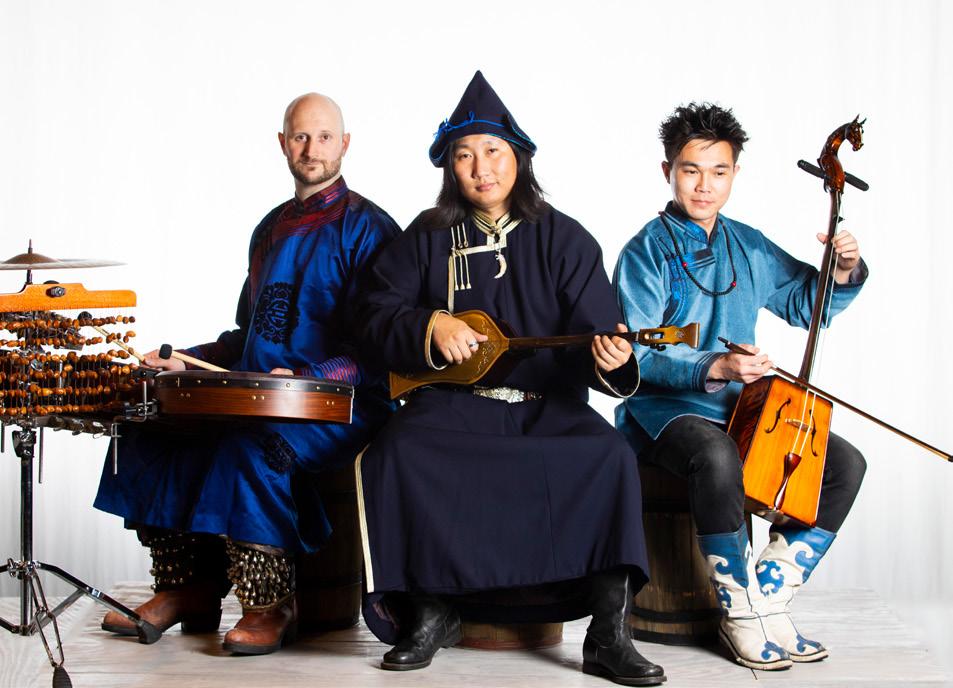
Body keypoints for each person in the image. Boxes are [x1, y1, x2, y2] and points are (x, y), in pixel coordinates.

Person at [354, 71, 665, 686]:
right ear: (450, 168)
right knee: (397, 450)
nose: (481, 168)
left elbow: (599, 333)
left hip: (546, 406)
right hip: (451, 405)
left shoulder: (567, 239)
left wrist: (611, 358)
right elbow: (373, 312)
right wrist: (429, 325)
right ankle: (432, 611)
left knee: (608, 455)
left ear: (519, 158)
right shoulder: (427, 235)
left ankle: (609, 632)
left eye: (493, 151)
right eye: (465, 155)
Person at [94, 93, 400, 654]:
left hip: (345, 404)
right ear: (282, 143)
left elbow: (379, 349)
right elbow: (246, 336)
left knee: (250, 448)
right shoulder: (268, 229)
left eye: (324, 137)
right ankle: (187, 590)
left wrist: (305, 376)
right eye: (300, 137)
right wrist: (184, 358)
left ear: (345, 144)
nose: (312, 149)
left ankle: (269, 604)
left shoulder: (370, 229)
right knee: (150, 428)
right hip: (259, 398)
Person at [613, 102, 868, 670]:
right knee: (717, 455)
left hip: (740, 408)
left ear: (734, 174)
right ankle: (738, 612)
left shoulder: (747, 244)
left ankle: (769, 599)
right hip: (661, 412)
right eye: (690, 170)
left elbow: (806, 303)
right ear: (668, 172)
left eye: (719, 171)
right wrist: (718, 366)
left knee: (844, 464)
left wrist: (843, 267)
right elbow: (640, 357)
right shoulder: (644, 251)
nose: (704, 185)